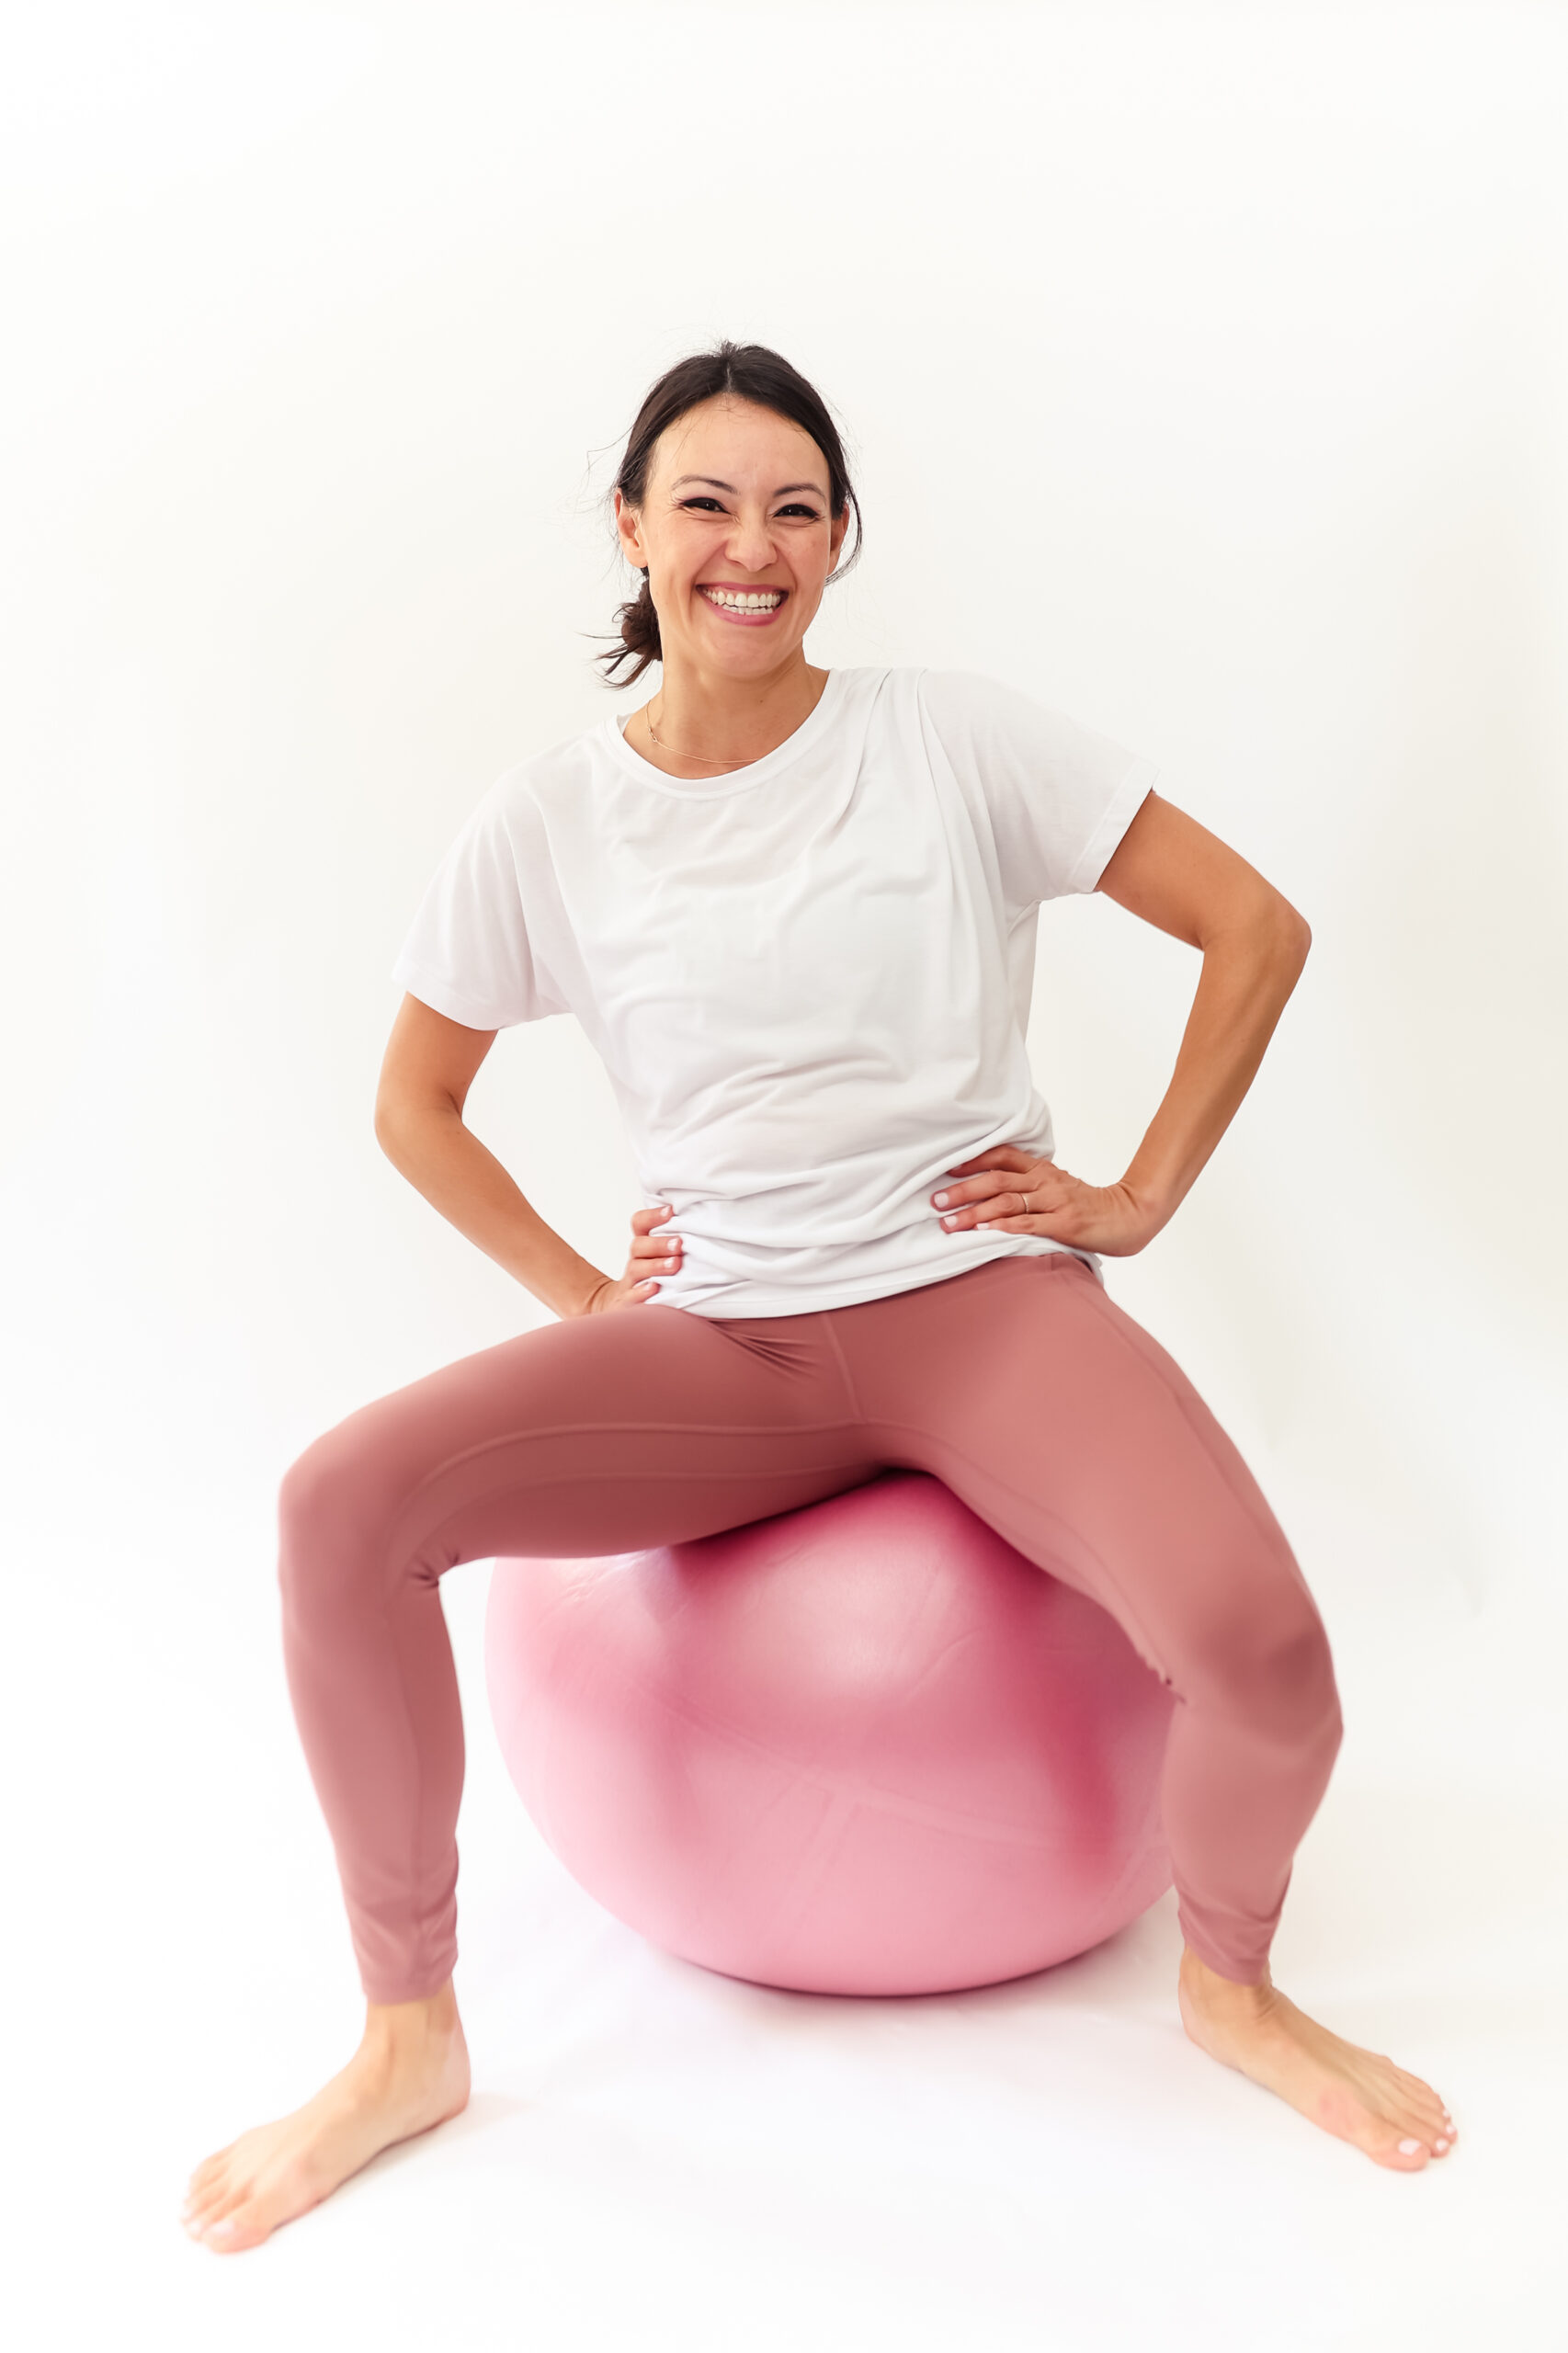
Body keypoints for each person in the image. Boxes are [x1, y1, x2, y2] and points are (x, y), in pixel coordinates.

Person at [182, 341, 1454, 2251]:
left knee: (1266, 1656)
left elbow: (1251, 923)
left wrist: (1132, 1194)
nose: (749, 546)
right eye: (703, 502)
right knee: (336, 1504)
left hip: (975, 1299)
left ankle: (1230, 1983)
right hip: (721, 1343)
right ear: (630, 530)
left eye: (795, 507)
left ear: (842, 539)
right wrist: (577, 1290)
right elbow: (413, 1103)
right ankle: (405, 2036)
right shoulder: (549, 819)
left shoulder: (949, 738)